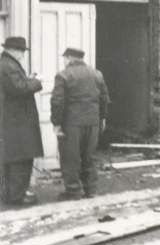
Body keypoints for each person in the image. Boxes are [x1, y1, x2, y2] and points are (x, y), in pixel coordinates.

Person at [51, 48, 110, 201]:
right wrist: (101, 118)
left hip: (71, 124)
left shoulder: (63, 75)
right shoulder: (97, 74)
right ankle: (91, 190)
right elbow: (104, 99)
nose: (63, 61)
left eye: (64, 58)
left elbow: (57, 101)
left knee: (70, 158)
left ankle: (74, 192)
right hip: (92, 123)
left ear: (70, 58)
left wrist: (56, 123)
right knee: (89, 157)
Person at [0, 36, 43, 206]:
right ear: (14, 51)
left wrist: (28, 79)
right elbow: (19, 88)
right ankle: (17, 197)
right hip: (17, 122)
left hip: (11, 120)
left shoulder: (6, 64)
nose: (23, 56)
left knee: (11, 159)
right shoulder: (8, 66)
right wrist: (37, 82)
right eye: (22, 52)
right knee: (21, 159)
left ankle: (9, 195)